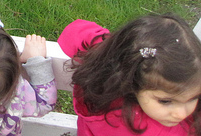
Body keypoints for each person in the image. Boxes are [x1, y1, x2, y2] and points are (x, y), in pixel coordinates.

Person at [58, 14, 201, 135]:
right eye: (166, 101)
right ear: (134, 78)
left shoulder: (109, 81)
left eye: (194, 98)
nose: (181, 114)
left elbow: (76, 30)